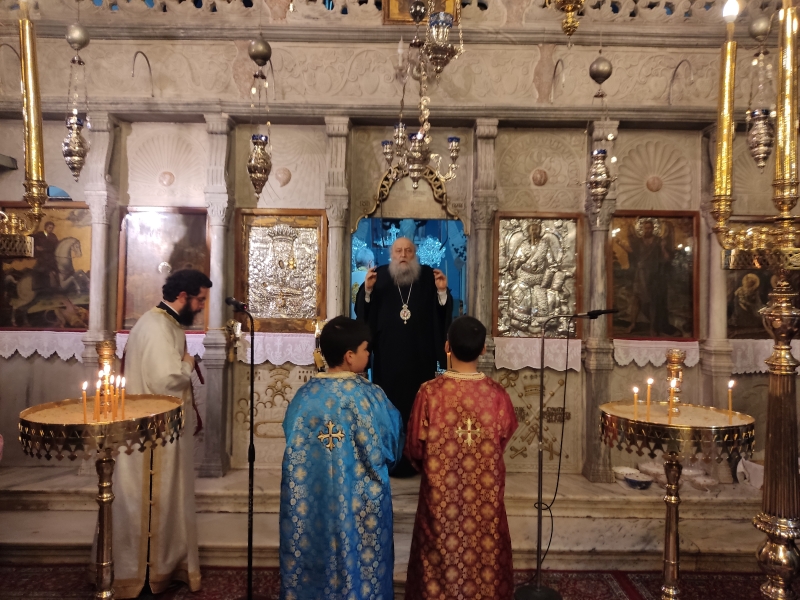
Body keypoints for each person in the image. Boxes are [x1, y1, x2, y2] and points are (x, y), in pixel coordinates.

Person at [279, 316, 403, 600]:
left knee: (316, 556)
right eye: (365, 349)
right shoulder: (371, 396)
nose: (369, 354)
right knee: (363, 564)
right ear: (350, 356)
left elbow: (291, 437)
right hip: (361, 504)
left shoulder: (304, 396)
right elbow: (392, 444)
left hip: (314, 501)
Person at [106, 269, 211, 598]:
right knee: (152, 497)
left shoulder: (164, 323)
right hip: (151, 434)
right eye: (200, 300)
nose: (202, 307)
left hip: (160, 428)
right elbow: (165, 380)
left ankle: (164, 566)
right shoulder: (157, 327)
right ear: (183, 296)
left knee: (165, 498)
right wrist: (187, 362)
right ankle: (145, 575)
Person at [404, 316, 518, 600]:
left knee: (438, 554)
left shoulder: (429, 393)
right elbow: (503, 438)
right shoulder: (497, 395)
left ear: (447, 347)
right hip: (485, 496)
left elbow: (415, 449)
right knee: (484, 551)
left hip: (440, 498)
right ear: (483, 350)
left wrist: (434, 470)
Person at [354, 236, 452, 477]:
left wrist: (442, 292)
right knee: (388, 412)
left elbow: (441, 315)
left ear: (415, 253)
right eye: (398, 251)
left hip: (420, 359)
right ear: (391, 253)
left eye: (408, 250)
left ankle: (417, 460)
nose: (403, 255)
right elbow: (363, 312)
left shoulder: (427, 276)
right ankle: (389, 460)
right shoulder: (379, 276)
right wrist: (367, 291)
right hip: (388, 361)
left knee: (418, 413)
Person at [31, 221, 59, 292]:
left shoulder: (53, 236)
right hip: (41, 257)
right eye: (49, 228)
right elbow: (33, 242)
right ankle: (37, 287)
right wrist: (36, 248)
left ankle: (51, 288)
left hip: (51, 257)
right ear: (45, 227)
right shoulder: (39, 235)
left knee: (51, 271)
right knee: (36, 270)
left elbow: (56, 247)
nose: (51, 229)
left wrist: (44, 249)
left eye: (52, 228)